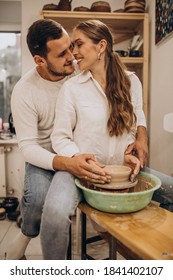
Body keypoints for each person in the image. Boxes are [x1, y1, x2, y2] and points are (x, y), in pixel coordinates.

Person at [6, 19, 147, 260]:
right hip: (45, 154)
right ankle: (26, 234)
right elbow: (28, 147)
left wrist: (140, 139)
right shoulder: (25, 91)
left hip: (78, 152)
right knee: (40, 200)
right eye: (63, 53)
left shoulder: (80, 73)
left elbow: (130, 112)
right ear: (40, 60)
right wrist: (69, 161)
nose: (72, 56)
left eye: (72, 46)